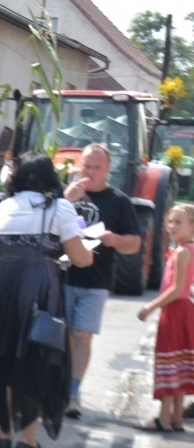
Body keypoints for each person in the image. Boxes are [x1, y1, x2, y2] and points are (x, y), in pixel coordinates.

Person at [0, 153, 93, 448]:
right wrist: (88, 256)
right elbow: (79, 256)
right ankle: (28, 438)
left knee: (3, 352)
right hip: (39, 283)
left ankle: (3, 432)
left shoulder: (3, 207)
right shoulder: (59, 207)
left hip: (3, 283)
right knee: (36, 354)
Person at [61, 143, 141, 417]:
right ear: (79, 166)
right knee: (63, 336)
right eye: (87, 166)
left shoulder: (119, 201)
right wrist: (66, 199)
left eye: (97, 167)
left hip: (96, 281)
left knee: (82, 336)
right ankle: (59, 388)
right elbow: (45, 224)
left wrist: (114, 239)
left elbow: (135, 243)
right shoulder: (67, 195)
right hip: (63, 275)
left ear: (108, 169)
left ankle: (73, 394)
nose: (91, 172)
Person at [136, 202, 194, 431]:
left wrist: (150, 306)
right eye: (170, 221)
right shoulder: (189, 249)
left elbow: (177, 289)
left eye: (178, 222)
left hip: (175, 310)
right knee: (180, 363)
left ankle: (163, 418)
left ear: (192, 226)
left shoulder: (181, 252)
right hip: (186, 310)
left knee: (169, 362)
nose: (172, 226)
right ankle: (176, 417)